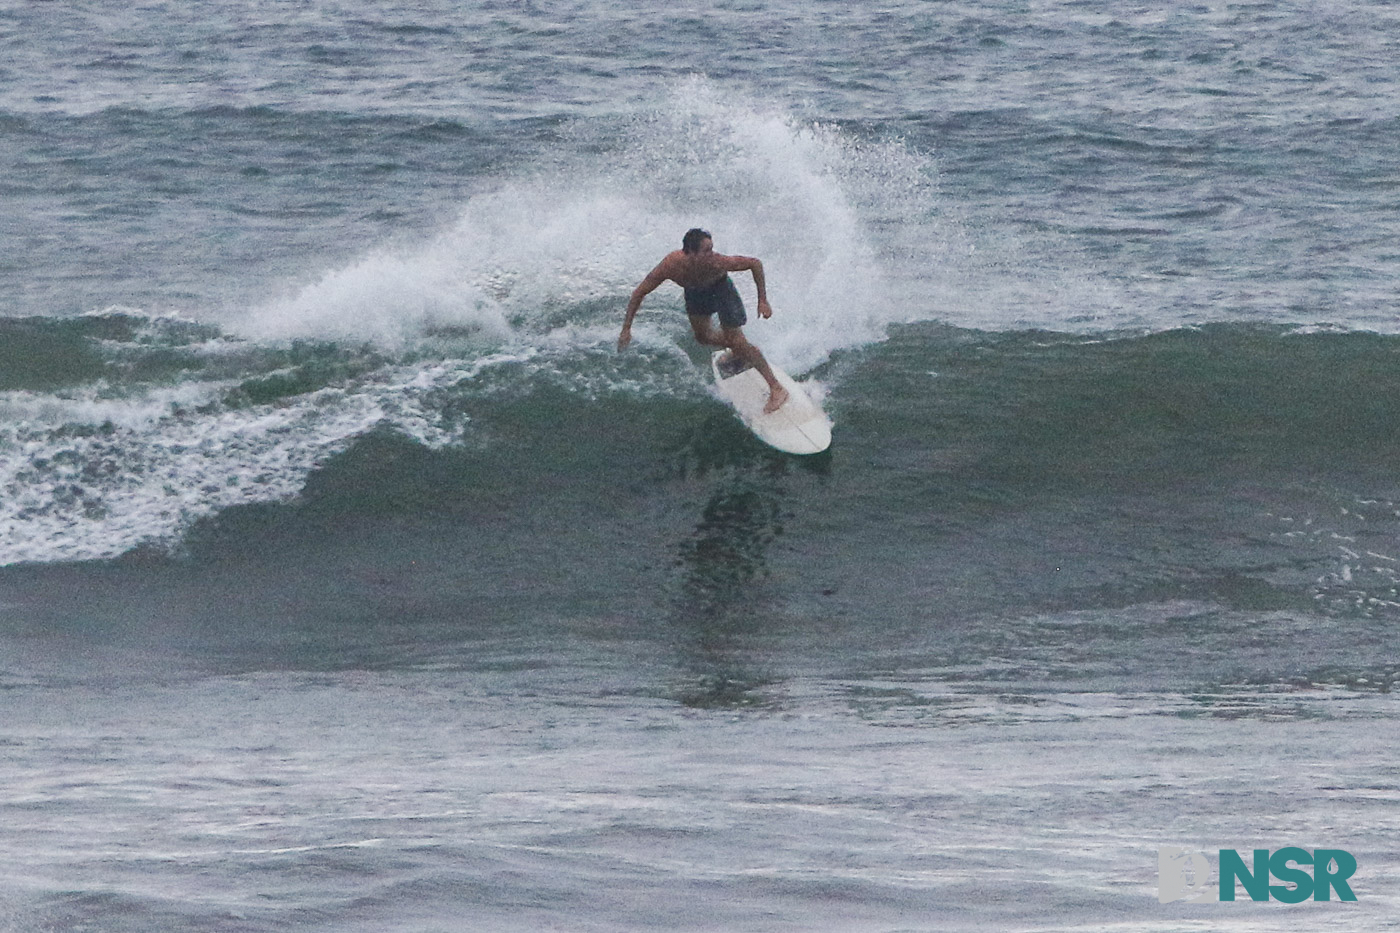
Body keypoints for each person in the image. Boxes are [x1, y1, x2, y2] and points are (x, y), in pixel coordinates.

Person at [617, 228, 788, 413]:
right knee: (703, 337)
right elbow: (639, 292)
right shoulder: (670, 265)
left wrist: (762, 300)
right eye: (707, 251)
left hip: (722, 290)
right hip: (695, 293)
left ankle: (776, 388)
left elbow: (755, 264)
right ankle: (742, 350)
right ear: (690, 253)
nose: (712, 254)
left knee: (736, 341)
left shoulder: (717, 263)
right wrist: (626, 329)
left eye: (712, 249)